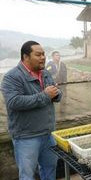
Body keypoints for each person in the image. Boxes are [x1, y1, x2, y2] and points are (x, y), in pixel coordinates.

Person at [1, 41, 62, 180]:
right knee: (27, 175)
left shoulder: (45, 73)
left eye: (44, 54)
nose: (43, 57)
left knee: (49, 169)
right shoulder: (12, 77)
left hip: (48, 134)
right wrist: (45, 95)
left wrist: (56, 93)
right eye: (38, 54)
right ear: (26, 57)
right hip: (26, 137)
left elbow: (56, 95)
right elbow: (14, 102)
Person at [46, 51, 67, 115]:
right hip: (53, 85)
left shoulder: (62, 64)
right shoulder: (49, 64)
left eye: (59, 55)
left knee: (63, 98)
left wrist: (65, 83)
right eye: (56, 55)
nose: (58, 56)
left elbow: (65, 74)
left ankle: (62, 111)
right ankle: (52, 112)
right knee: (53, 98)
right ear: (53, 57)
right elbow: (48, 74)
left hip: (62, 84)